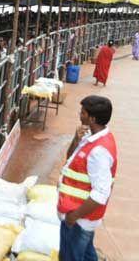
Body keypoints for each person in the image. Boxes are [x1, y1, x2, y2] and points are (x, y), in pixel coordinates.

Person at [58, 95, 118, 261]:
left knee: (71, 256)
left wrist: (74, 216)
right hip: (79, 215)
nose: (80, 115)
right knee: (86, 254)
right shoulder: (90, 137)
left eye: (83, 113)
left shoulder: (99, 152)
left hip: (79, 218)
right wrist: (76, 139)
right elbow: (70, 158)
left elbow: (101, 193)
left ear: (92, 118)